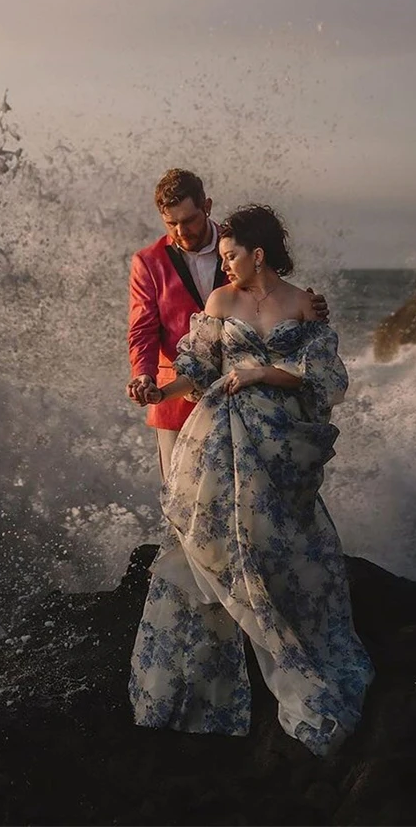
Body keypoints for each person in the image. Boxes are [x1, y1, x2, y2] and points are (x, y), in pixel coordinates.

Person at [127, 204, 373, 756]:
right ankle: (214, 682)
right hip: (227, 436)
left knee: (285, 545)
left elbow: (328, 380)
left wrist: (263, 373)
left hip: (286, 445)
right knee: (222, 543)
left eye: (231, 254)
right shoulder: (220, 301)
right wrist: (158, 392)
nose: (224, 263)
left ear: (257, 254)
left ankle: (296, 645)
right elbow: (196, 368)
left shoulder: (304, 305)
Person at [126, 169, 327, 479]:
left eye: (189, 220)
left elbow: (270, 293)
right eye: (171, 223)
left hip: (251, 403)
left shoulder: (241, 244)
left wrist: (307, 309)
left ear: (207, 206)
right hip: (177, 394)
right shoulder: (147, 262)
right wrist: (144, 376)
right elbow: (143, 329)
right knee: (184, 505)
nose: (181, 231)